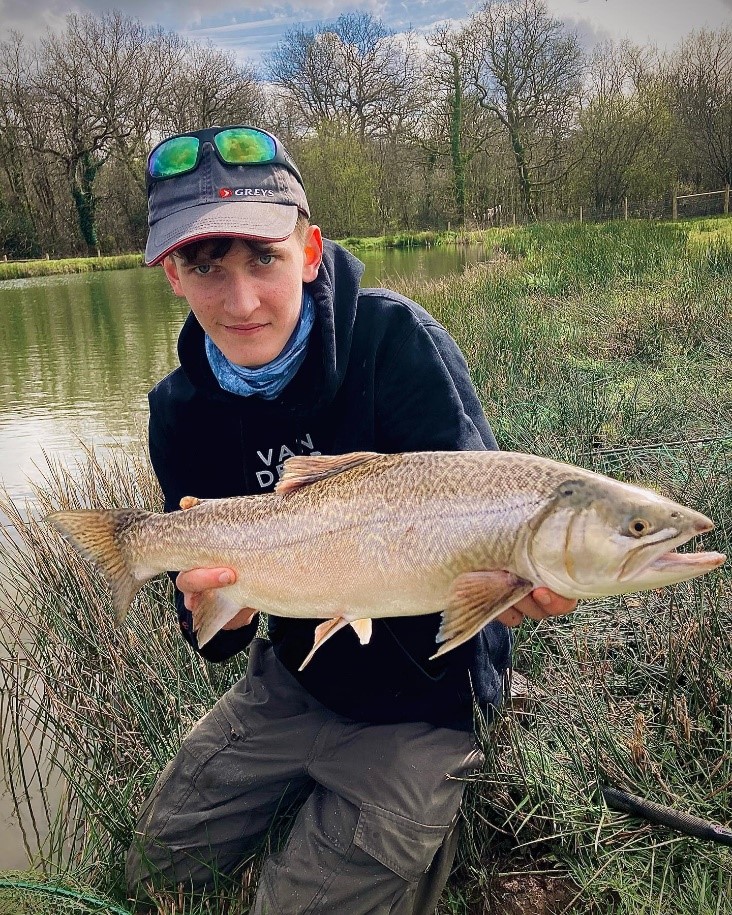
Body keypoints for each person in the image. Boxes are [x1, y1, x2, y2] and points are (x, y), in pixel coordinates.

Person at [125, 124, 576, 913]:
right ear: (173, 275)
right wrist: (206, 605)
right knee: (159, 864)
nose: (241, 300)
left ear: (308, 249)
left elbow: (489, 520)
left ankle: (444, 795)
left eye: (263, 258)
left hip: (426, 693)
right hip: (296, 675)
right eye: (206, 265)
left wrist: (523, 584)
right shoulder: (178, 411)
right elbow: (218, 639)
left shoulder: (397, 343)